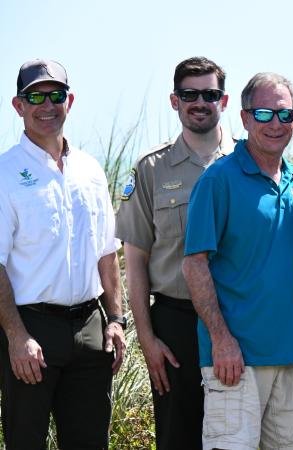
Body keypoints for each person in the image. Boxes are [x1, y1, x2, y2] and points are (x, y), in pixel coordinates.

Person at [0, 59, 126, 449]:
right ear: (18, 105)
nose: (47, 105)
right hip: (30, 330)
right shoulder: (5, 172)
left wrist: (117, 320)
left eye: (55, 95)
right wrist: (16, 335)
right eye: (35, 96)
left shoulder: (90, 169)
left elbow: (107, 254)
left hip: (90, 328)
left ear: (69, 101)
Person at [182, 72, 293, 450]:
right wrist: (222, 340)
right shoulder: (218, 179)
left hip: (291, 358)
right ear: (244, 118)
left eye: (284, 115)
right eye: (264, 114)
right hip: (234, 361)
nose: (275, 124)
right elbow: (194, 264)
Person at [115, 56, 233, 449]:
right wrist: (147, 340)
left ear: (225, 100)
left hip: (238, 319)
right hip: (175, 324)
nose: (200, 102)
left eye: (210, 94)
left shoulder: (247, 162)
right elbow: (136, 262)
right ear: (174, 100)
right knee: (176, 437)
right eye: (189, 94)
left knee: (237, 435)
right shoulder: (152, 168)